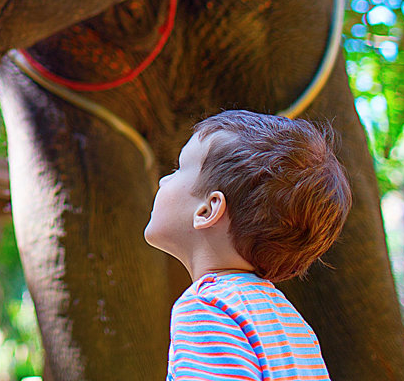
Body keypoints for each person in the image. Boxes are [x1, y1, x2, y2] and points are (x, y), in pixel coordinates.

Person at [143, 109, 352, 381]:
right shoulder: (293, 325)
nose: (163, 180)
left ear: (207, 210)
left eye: (178, 169)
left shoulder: (207, 307)